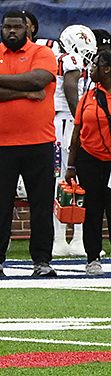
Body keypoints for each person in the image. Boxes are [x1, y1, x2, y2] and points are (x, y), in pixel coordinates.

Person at [0, 10, 61, 277]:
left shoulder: (43, 53)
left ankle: (42, 261)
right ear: (0, 28)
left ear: (28, 29)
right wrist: (25, 93)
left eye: (17, 27)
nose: (12, 31)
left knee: (41, 205)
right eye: (7, 27)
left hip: (39, 142)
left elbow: (39, 79)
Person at [65, 50, 111, 276]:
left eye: (95, 66)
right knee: (92, 209)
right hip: (89, 159)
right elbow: (77, 132)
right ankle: (93, 257)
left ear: (107, 69)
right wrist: (71, 166)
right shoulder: (88, 97)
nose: (91, 70)